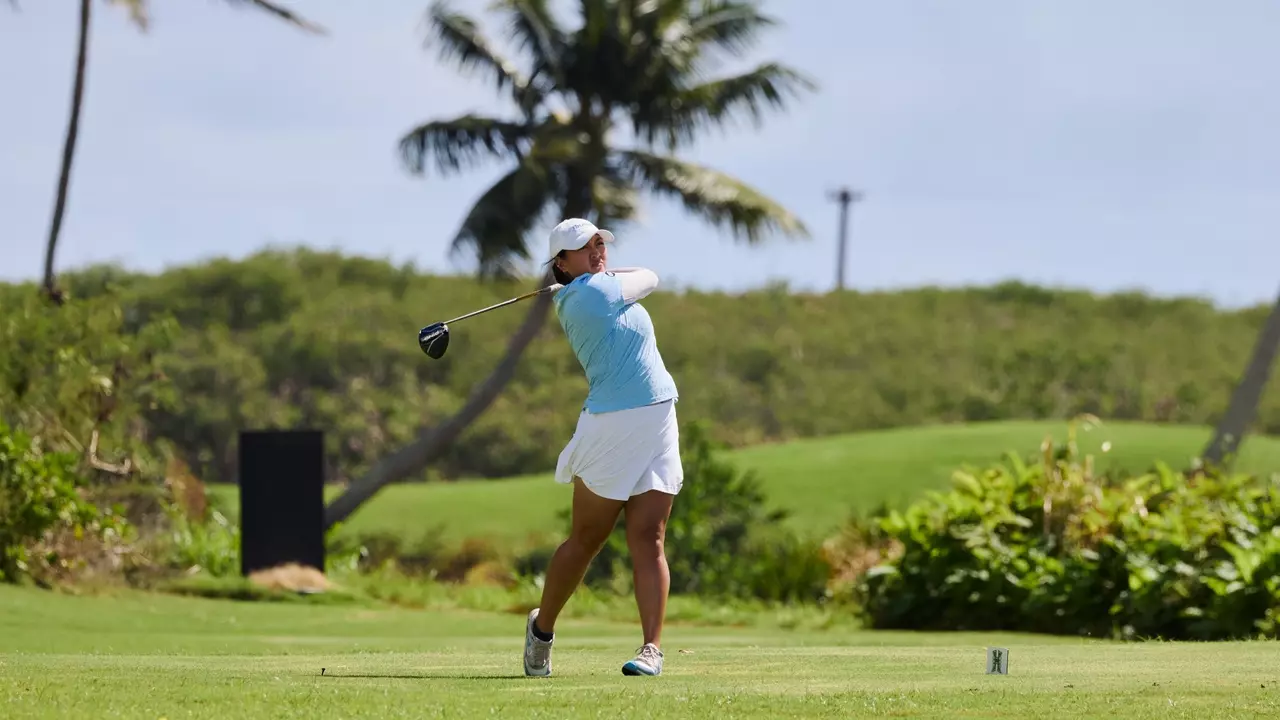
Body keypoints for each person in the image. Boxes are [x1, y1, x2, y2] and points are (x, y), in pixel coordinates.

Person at [523, 217, 682, 678]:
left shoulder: (596, 286)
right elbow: (650, 275)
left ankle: (651, 649)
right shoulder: (589, 296)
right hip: (611, 427)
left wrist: (599, 273)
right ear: (561, 262)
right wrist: (597, 278)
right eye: (584, 248)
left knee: (649, 538)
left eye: (599, 244)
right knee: (587, 541)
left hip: (658, 418)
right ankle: (542, 630)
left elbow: (638, 278)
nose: (597, 252)